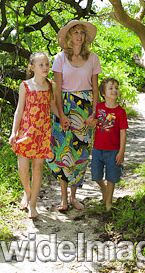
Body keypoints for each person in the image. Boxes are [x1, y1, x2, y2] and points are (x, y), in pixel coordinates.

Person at [48, 20, 102, 211]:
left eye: (81, 33)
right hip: (64, 107)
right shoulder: (60, 58)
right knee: (64, 151)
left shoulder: (93, 58)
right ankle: (63, 198)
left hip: (85, 109)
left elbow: (95, 89)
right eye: (75, 32)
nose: (79, 35)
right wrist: (61, 115)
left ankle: (73, 197)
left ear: (85, 37)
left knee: (81, 153)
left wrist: (94, 113)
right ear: (70, 37)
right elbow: (56, 90)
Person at [9, 51, 57, 219]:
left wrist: (63, 118)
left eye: (47, 64)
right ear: (32, 67)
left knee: (37, 168)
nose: (45, 68)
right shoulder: (25, 85)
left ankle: (33, 204)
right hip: (26, 131)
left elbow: (52, 106)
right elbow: (19, 110)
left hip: (43, 132)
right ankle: (27, 192)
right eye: (41, 65)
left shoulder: (51, 85)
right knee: (23, 169)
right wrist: (14, 131)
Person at [91, 77, 128, 211]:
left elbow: (123, 133)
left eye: (116, 88)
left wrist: (121, 152)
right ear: (103, 93)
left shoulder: (121, 112)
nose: (114, 90)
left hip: (113, 151)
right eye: (111, 88)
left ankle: (108, 203)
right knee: (96, 175)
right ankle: (104, 189)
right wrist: (91, 121)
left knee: (111, 177)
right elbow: (91, 121)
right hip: (97, 149)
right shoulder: (98, 107)